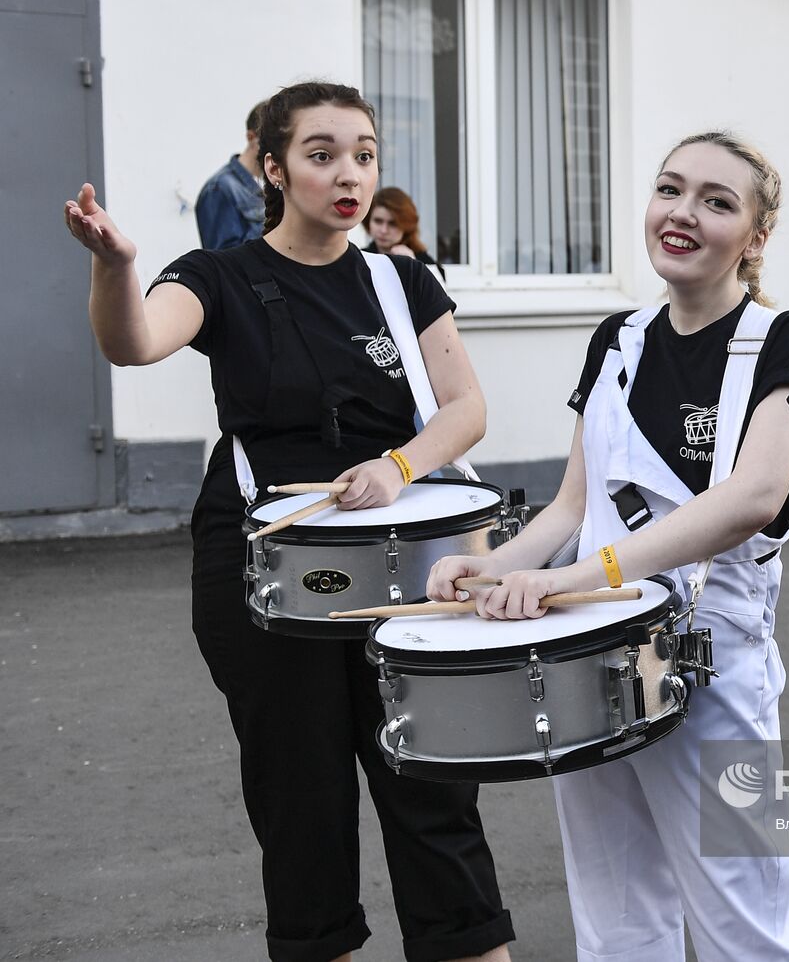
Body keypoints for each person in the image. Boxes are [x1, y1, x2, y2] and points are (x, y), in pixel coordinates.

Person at [63, 81, 513, 962]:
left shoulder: (400, 278)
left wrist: (395, 467)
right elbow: (135, 341)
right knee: (301, 801)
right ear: (271, 167)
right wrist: (114, 264)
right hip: (266, 565)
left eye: (364, 154)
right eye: (321, 154)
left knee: (433, 793)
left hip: (405, 561)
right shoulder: (220, 275)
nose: (349, 173)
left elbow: (464, 408)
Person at [426, 130, 789, 962]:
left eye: (717, 201)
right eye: (670, 189)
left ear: (755, 238)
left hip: (710, 666)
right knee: (614, 914)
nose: (683, 213)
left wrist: (577, 579)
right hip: (590, 661)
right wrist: (493, 563)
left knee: (746, 922)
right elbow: (574, 501)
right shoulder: (618, 339)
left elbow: (753, 498)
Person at [195, 100, 268, 250]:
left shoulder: (268, 185)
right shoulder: (220, 188)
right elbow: (224, 262)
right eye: (271, 140)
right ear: (251, 137)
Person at [364, 186, 448, 281]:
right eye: (378, 221)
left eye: (393, 224)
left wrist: (413, 266)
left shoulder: (423, 262)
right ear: (368, 221)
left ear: (406, 225)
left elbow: (438, 293)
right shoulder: (359, 258)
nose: (384, 230)